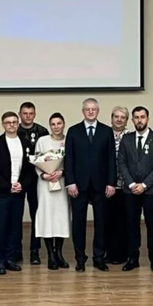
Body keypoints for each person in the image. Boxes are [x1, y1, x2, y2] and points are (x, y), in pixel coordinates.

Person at [64, 97, 117, 272]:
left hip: (101, 185)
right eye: (87, 109)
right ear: (83, 111)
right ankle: (80, 259)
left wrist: (111, 183)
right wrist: (70, 182)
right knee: (78, 224)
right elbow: (69, 159)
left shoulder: (106, 131)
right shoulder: (73, 131)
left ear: (98, 111)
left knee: (101, 223)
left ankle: (99, 258)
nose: (91, 112)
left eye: (93, 109)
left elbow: (111, 158)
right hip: (78, 185)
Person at [117, 106, 153, 273]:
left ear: (148, 119)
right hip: (130, 190)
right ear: (132, 120)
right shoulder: (126, 139)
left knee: (152, 225)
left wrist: (144, 185)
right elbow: (122, 163)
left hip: (151, 190)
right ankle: (133, 258)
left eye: (142, 117)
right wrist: (132, 184)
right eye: (136, 117)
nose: (139, 120)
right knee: (131, 225)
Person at [0, 111, 35, 275]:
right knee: (0, 227)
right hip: (1, 194)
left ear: (18, 123)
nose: (11, 125)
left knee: (15, 227)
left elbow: (30, 169)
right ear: (3, 124)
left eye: (14, 122)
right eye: (8, 122)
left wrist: (22, 184)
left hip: (19, 193)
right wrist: (7, 186)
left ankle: (10, 258)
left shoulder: (25, 143)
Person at [33, 113, 71, 270]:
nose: (56, 127)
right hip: (45, 184)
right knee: (47, 216)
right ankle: (50, 254)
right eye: (53, 124)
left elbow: (72, 161)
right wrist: (44, 175)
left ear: (63, 124)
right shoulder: (42, 141)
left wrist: (62, 172)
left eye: (59, 123)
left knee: (61, 217)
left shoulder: (69, 140)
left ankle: (59, 252)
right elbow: (37, 162)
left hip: (62, 182)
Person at [16, 101, 49, 265]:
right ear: (20, 115)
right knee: (17, 215)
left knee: (37, 215)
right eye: (25, 113)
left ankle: (35, 251)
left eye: (31, 113)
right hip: (18, 179)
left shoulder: (42, 132)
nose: (28, 116)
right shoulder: (14, 131)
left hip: (37, 179)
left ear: (34, 114)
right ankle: (16, 250)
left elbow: (48, 156)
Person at [106, 105, 131, 265]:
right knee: (107, 221)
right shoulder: (104, 134)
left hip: (126, 186)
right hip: (108, 185)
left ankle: (122, 254)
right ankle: (108, 253)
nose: (119, 120)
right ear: (112, 118)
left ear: (127, 120)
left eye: (123, 117)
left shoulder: (130, 137)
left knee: (123, 221)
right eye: (116, 116)